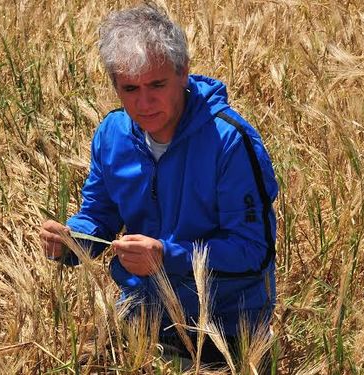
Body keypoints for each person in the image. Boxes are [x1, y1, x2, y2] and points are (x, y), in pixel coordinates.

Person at [40, 2, 278, 369]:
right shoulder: (112, 135)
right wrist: (73, 241)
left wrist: (167, 256)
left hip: (226, 328)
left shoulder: (230, 141)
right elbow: (99, 214)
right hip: (143, 317)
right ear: (115, 86)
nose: (144, 102)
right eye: (130, 88)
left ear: (183, 73)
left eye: (157, 84)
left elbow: (254, 250)